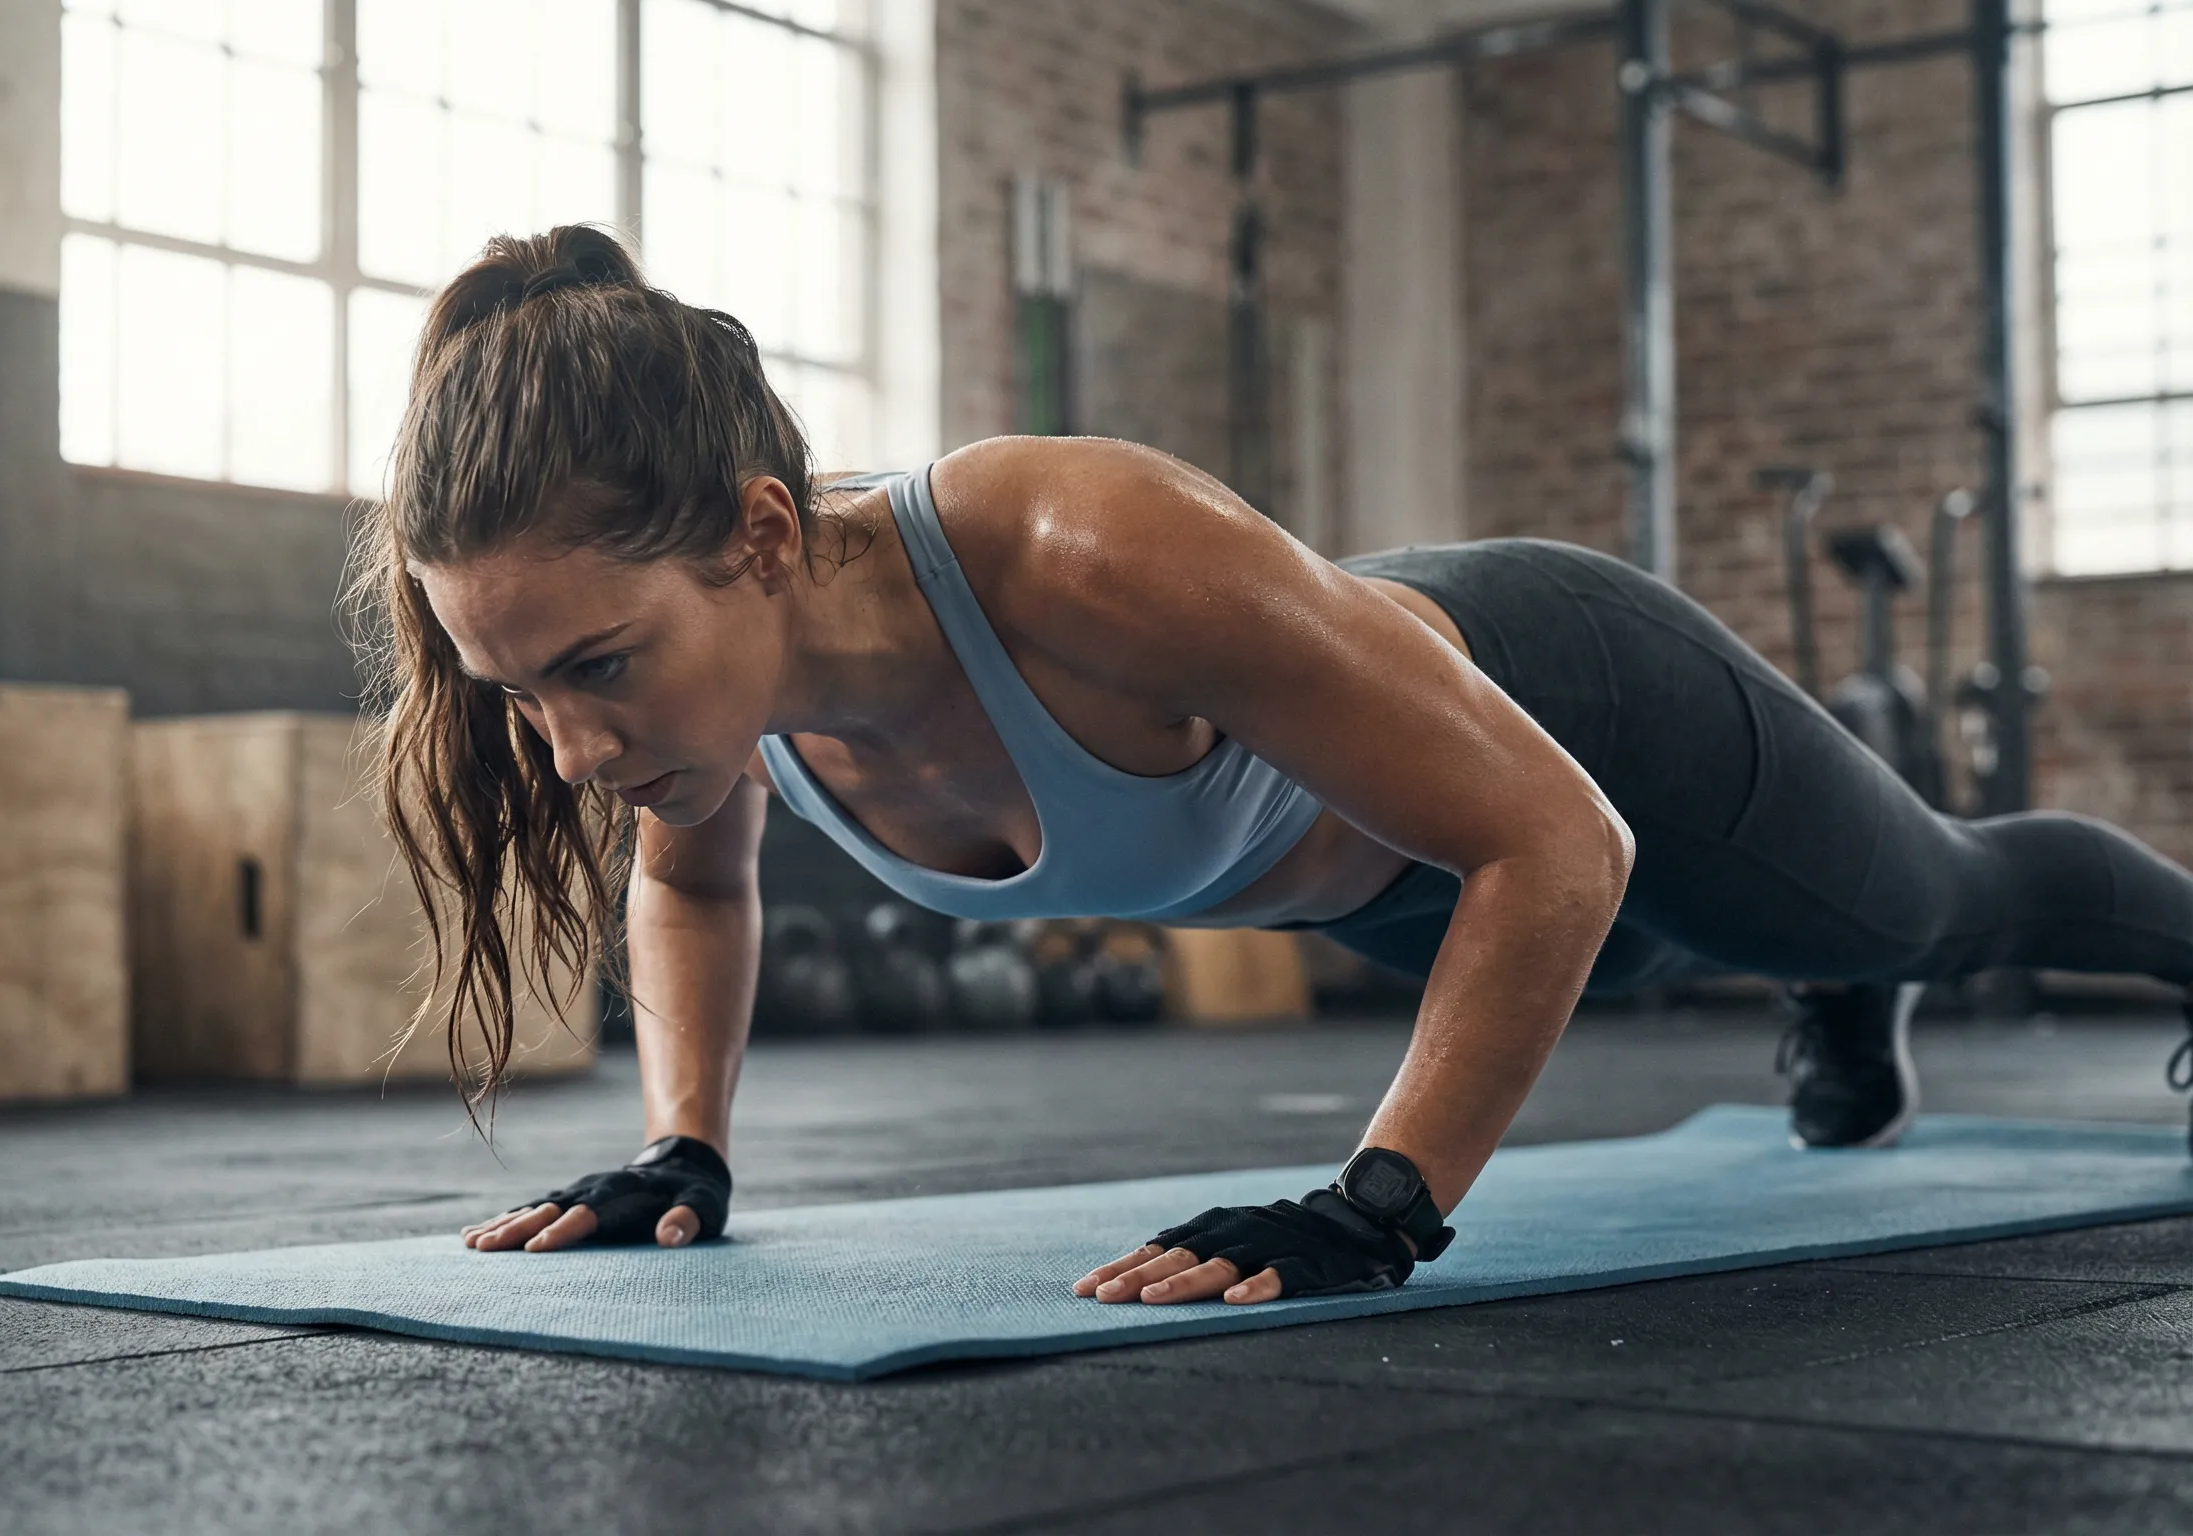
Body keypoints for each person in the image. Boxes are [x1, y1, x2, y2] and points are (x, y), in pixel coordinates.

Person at [365, 225, 2193, 1307]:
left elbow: (1555, 838)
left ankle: (1887, 957)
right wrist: (684, 1145)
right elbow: (693, 876)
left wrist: (1377, 1206)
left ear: (763, 536)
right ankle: (1826, 965)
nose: (575, 750)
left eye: (598, 670)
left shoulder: (1078, 552)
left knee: (1940, 903)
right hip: (1417, 901)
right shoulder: (709, 699)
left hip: (1573, 717)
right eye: (519, 694)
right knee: (1706, 938)